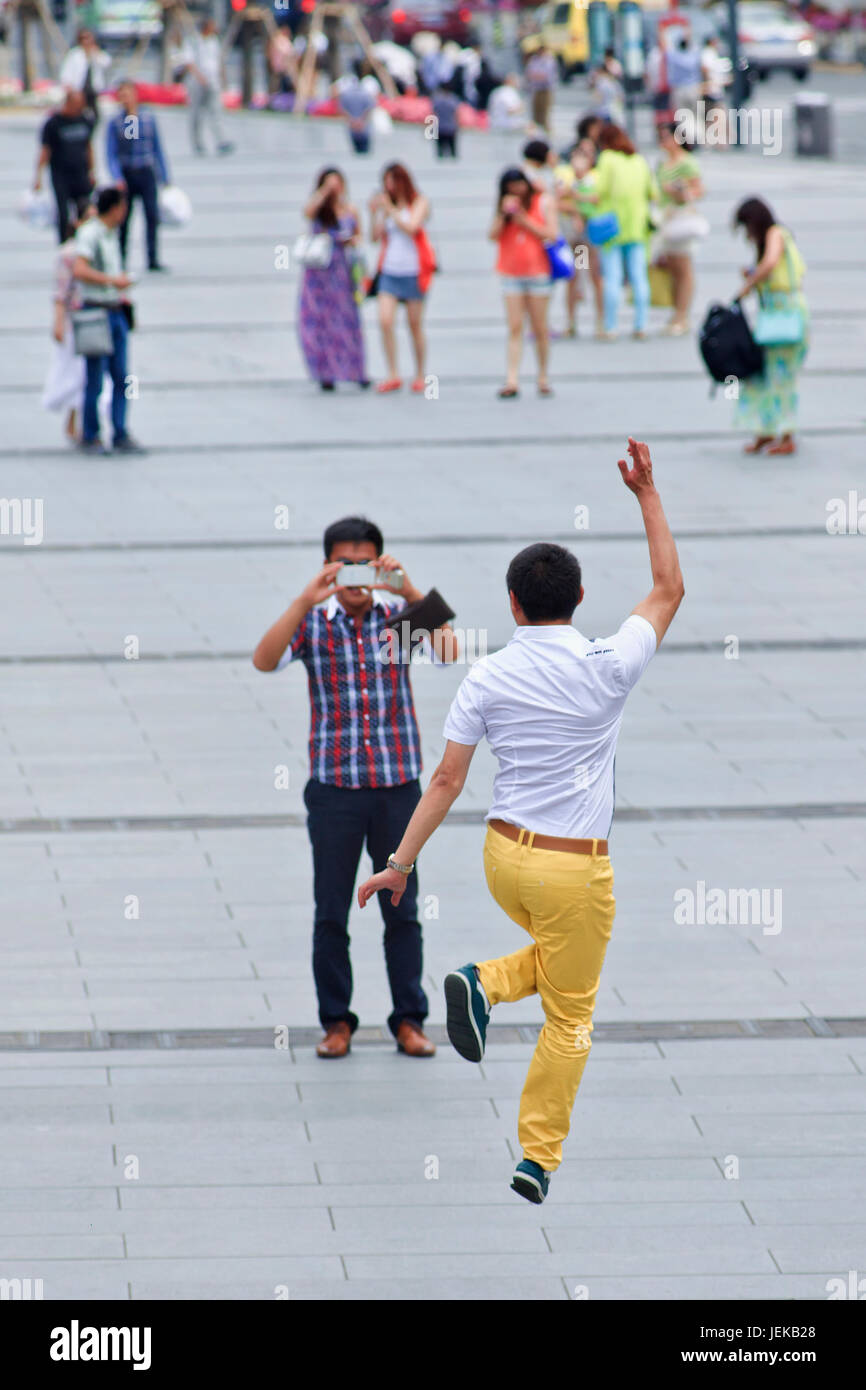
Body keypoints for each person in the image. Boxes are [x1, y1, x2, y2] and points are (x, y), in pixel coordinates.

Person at [357, 438, 684, 1205]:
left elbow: (445, 780)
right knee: (573, 1015)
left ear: (513, 604)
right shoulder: (609, 663)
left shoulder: (487, 674)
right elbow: (668, 588)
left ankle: (488, 981)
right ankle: (537, 1156)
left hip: (503, 861)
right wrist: (646, 495)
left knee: (562, 963)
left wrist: (398, 864)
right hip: (574, 869)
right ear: (575, 598)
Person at [252, 515, 460, 1060]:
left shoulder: (397, 618)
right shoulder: (315, 625)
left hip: (397, 789)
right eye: (345, 563)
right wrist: (304, 599)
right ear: (328, 566)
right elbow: (264, 659)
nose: (356, 574)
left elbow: (449, 651)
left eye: (365, 562)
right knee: (330, 912)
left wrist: (411, 589)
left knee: (403, 909)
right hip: (335, 791)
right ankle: (336, 1022)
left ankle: (410, 1020)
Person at [733, 197, 808, 456]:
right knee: (762, 375)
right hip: (775, 315)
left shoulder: (776, 232)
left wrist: (748, 284)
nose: (748, 234)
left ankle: (786, 434)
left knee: (782, 376)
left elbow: (770, 263)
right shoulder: (772, 236)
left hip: (787, 314)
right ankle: (765, 431)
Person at [72, 186, 144, 456]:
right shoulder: (90, 233)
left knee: (121, 377)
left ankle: (119, 431)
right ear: (114, 208)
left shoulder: (112, 234)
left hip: (115, 311)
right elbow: (79, 269)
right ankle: (90, 435)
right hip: (96, 312)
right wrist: (114, 281)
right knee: (95, 379)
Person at [490, 167, 558, 398]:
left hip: (538, 272)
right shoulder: (504, 207)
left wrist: (523, 219)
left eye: (519, 185)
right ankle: (512, 379)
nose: (516, 191)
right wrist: (503, 215)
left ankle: (543, 376)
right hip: (511, 273)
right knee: (515, 326)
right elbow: (492, 235)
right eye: (511, 188)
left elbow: (552, 234)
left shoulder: (543, 202)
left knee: (540, 327)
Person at [298, 168, 369, 392]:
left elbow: (359, 236)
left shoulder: (350, 209)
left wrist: (350, 240)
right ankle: (325, 372)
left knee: (347, 320)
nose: (334, 189)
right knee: (320, 322)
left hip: (342, 271)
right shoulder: (319, 209)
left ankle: (356, 370)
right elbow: (307, 213)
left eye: (336, 184)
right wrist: (322, 194)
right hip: (319, 273)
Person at [369, 163, 433, 394]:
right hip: (389, 270)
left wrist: (391, 210)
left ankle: (419, 373)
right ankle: (393, 373)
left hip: (414, 271)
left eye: (393, 181)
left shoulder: (419, 202)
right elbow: (374, 238)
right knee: (385, 321)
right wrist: (375, 213)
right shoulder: (388, 207)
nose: (389, 187)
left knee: (414, 324)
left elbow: (411, 227)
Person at [592, 123, 655, 341]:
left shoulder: (607, 159)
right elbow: (652, 193)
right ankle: (641, 324)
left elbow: (600, 190)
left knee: (612, 277)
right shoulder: (639, 160)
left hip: (611, 226)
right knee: (639, 277)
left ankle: (610, 326)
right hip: (637, 227)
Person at [106, 81, 170, 274]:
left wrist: (165, 176)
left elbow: (157, 148)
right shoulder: (118, 121)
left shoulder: (148, 118)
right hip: (127, 173)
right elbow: (116, 150)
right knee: (124, 219)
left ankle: (152, 257)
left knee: (151, 216)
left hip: (146, 171)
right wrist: (117, 176)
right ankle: (120, 259)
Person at [41, 205, 92, 444]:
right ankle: (75, 422)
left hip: (98, 319)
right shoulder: (68, 254)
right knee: (75, 373)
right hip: (77, 321)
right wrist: (58, 322)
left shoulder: (101, 244)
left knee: (95, 375)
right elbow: (60, 293)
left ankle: (91, 423)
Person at [653, 122, 705, 335]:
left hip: (681, 217)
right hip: (666, 217)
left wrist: (680, 191)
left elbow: (698, 190)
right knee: (671, 266)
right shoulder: (662, 163)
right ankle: (676, 312)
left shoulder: (687, 162)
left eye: (667, 137)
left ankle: (682, 315)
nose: (663, 142)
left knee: (683, 267)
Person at [34, 88, 95, 244]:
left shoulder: (84, 120)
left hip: (81, 173)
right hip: (61, 175)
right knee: (63, 212)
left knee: (85, 209)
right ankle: (64, 244)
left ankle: (84, 242)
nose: (80, 108)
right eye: (77, 104)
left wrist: (92, 171)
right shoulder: (53, 123)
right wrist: (38, 177)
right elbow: (45, 151)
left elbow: (89, 147)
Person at [556, 145, 603, 338]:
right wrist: (576, 209)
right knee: (573, 277)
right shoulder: (564, 175)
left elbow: (598, 199)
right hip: (574, 239)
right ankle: (571, 321)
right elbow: (558, 200)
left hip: (592, 235)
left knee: (596, 277)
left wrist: (575, 198)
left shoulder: (597, 177)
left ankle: (601, 322)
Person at [180, 18, 234, 156]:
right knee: (196, 115)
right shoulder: (193, 41)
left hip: (213, 81)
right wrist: (200, 78)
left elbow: (218, 61)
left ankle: (222, 140)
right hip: (196, 83)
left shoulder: (214, 41)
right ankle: (198, 143)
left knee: (216, 112)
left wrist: (223, 79)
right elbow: (188, 62)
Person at [59, 28, 110, 121]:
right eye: (83, 38)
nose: (86, 41)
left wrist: (94, 53)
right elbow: (66, 72)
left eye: (88, 38)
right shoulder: (74, 54)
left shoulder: (96, 53)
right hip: (79, 90)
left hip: (93, 90)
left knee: (95, 115)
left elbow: (106, 63)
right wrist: (68, 86)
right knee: (78, 113)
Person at [337, 73, 376, 155]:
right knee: (365, 152)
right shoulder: (366, 94)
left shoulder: (345, 95)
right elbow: (369, 109)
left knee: (356, 151)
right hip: (363, 128)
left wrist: (353, 121)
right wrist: (361, 121)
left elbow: (342, 110)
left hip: (353, 127)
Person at [666, 33, 702, 120]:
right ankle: (697, 133)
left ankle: (687, 133)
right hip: (694, 88)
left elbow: (666, 48)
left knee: (682, 117)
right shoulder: (694, 55)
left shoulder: (674, 56)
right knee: (697, 116)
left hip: (679, 89)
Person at [524, 44, 557, 134]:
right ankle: (536, 130)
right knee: (536, 110)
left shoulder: (549, 60)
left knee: (545, 110)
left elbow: (547, 75)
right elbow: (530, 73)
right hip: (536, 88)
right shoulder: (534, 60)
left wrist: (537, 75)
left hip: (546, 88)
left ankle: (546, 130)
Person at [590, 49, 625, 127]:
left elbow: (596, 95)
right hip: (611, 110)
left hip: (605, 111)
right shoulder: (612, 83)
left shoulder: (602, 82)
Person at [432, 82, 460, 158]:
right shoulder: (453, 100)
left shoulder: (437, 100)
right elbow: (456, 114)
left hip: (440, 128)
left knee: (440, 154)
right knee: (453, 153)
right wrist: (458, 126)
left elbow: (433, 114)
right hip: (451, 128)